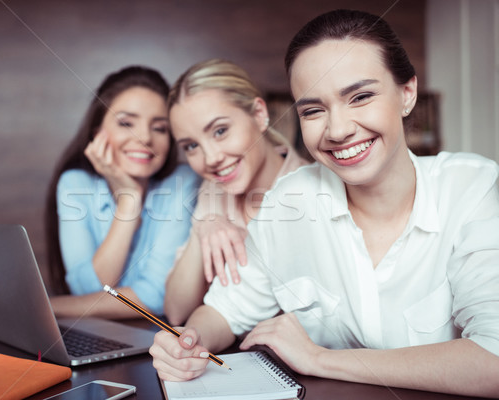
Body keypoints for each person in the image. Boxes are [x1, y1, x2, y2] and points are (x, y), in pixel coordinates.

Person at [149, 9, 499, 397]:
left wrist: (318, 359)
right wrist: (189, 341)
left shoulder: (471, 187)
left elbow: (493, 361)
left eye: (361, 97)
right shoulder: (287, 203)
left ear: (407, 93)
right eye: (313, 110)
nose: (337, 130)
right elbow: (224, 311)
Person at [45, 65, 200, 319]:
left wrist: (48, 307)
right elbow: (87, 290)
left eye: (159, 128)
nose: (144, 138)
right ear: (97, 133)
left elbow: (157, 297)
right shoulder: (75, 185)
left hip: (157, 339)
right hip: (95, 334)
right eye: (127, 123)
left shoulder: (183, 182)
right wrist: (129, 204)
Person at [162, 59, 310, 325]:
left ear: (259, 114)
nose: (211, 158)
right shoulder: (214, 188)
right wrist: (203, 227)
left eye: (220, 131)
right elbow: (176, 311)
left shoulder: (312, 192)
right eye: (191, 146)